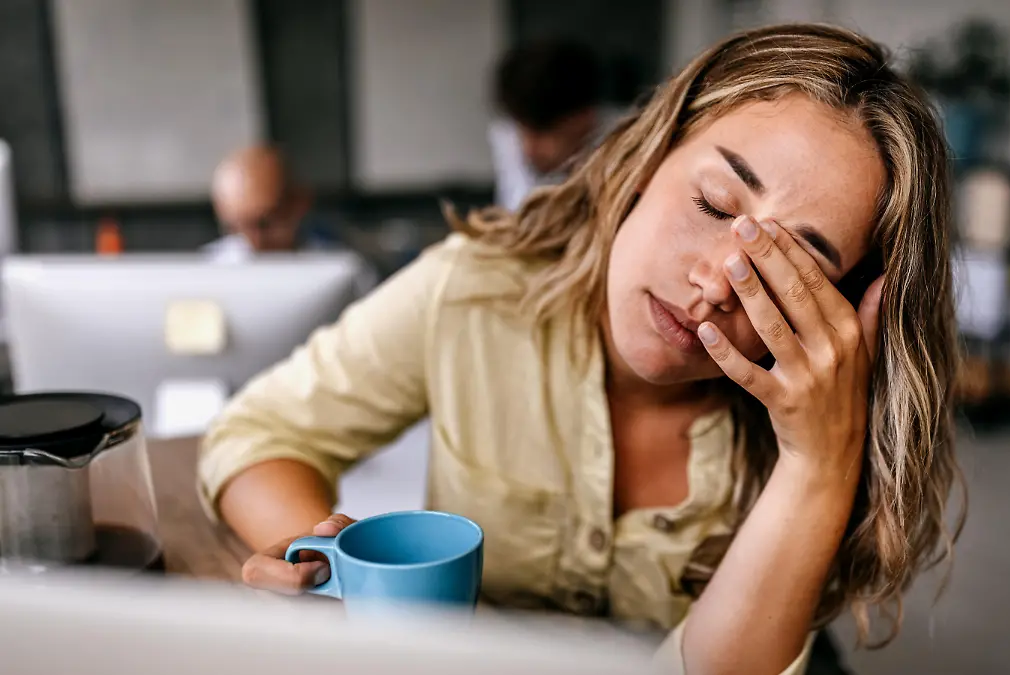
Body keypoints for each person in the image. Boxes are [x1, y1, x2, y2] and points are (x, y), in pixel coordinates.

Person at [200, 24, 963, 675]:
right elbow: (259, 432)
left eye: (791, 270)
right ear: (647, 155)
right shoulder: (474, 293)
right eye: (713, 203)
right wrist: (321, 569)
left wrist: (818, 467)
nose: (715, 284)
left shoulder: (813, 424)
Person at [204, 145, 377, 290]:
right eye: (235, 227)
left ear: (300, 203)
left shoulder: (346, 272)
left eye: (264, 224)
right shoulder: (206, 272)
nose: (253, 241)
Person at [488, 39, 614, 211]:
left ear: (585, 118)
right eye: (522, 131)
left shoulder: (623, 145)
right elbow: (519, 213)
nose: (528, 149)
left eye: (541, 134)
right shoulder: (508, 135)